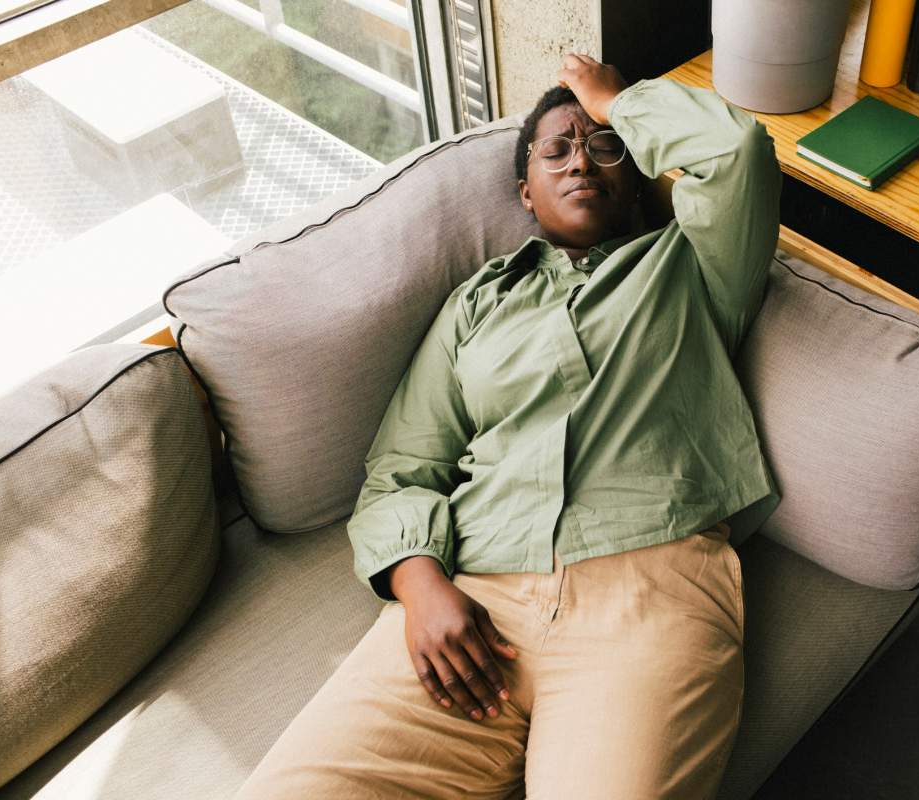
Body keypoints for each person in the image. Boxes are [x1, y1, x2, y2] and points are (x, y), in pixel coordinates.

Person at [234, 52, 782, 799]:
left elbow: (736, 152)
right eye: (555, 149)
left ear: (640, 171)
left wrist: (612, 99)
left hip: (649, 592)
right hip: (473, 600)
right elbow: (403, 467)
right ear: (525, 193)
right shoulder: (475, 306)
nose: (580, 161)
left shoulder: (692, 265)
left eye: (603, 145)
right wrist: (421, 587)